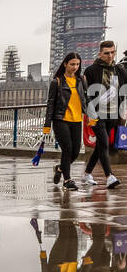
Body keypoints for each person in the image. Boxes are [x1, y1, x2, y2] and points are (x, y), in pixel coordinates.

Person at [81, 40, 125, 189]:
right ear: (100, 54)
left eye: (113, 52)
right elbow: (86, 95)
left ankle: (87, 174)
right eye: (107, 53)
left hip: (113, 114)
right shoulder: (91, 70)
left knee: (101, 145)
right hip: (96, 114)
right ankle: (109, 176)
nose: (110, 56)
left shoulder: (119, 70)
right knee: (104, 143)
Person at [43, 52, 88, 190]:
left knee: (75, 151)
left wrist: (91, 115)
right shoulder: (56, 82)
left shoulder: (81, 80)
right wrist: (47, 125)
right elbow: (50, 104)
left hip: (76, 119)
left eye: (77, 64)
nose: (75, 67)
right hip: (61, 119)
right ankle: (67, 180)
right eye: (72, 64)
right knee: (67, 149)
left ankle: (60, 168)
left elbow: (86, 100)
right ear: (65, 64)